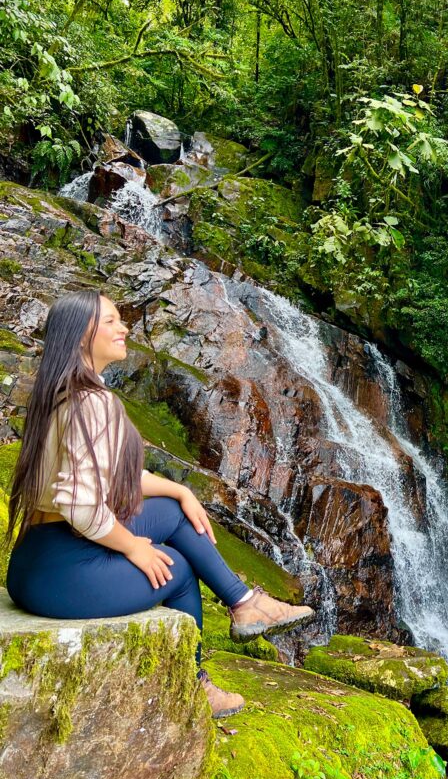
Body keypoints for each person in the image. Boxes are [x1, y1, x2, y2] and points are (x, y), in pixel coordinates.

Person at [5, 289, 315, 718]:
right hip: (59, 572)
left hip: (35, 561)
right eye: (111, 320)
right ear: (81, 335)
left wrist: (180, 490)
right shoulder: (93, 403)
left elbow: (114, 478)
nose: (124, 327)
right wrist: (133, 546)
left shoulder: (64, 395)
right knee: (177, 567)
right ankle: (194, 683)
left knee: (171, 512)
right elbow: (78, 503)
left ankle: (244, 604)